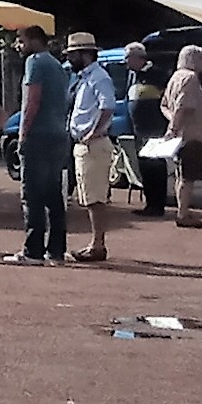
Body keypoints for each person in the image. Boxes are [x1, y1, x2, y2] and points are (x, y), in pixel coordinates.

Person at [6, 30, 72, 265]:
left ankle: (33, 250)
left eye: (21, 40)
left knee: (32, 194)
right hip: (57, 134)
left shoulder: (34, 62)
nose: (18, 45)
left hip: (38, 135)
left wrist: (23, 133)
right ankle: (56, 250)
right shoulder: (58, 66)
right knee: (53, 195)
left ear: (34, 40)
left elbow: (32, 100)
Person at [63, 33, 119, 264]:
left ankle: (98, 244)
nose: (70, 59)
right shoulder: (85, 77)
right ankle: (96, 242)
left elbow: (108, 106)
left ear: (85, 54)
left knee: (95, 197)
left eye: (73, 54)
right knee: (88, 195)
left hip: (93, 144)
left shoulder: (98, 77)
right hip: (85, 143)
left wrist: (93, 132)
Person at [163, 44, 202, 228]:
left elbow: (165, 105)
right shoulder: (191, 78)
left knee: (181, 175)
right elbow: (184, 106)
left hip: (180, 136)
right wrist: (175, 126)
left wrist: (172, 124)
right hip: (191, 135)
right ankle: (183, 214)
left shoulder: (174, 77)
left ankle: (182, 210)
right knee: (188, 176)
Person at [124, 43, 171, 216]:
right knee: (143, 167)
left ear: (138, 57)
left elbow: (168, 99)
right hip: (138, 129)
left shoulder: (158, 74)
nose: (125, 62)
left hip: (154, 128)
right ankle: (149, 203)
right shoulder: (132, 75)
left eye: (127, 58)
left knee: (156, 167)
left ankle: (158, 205)